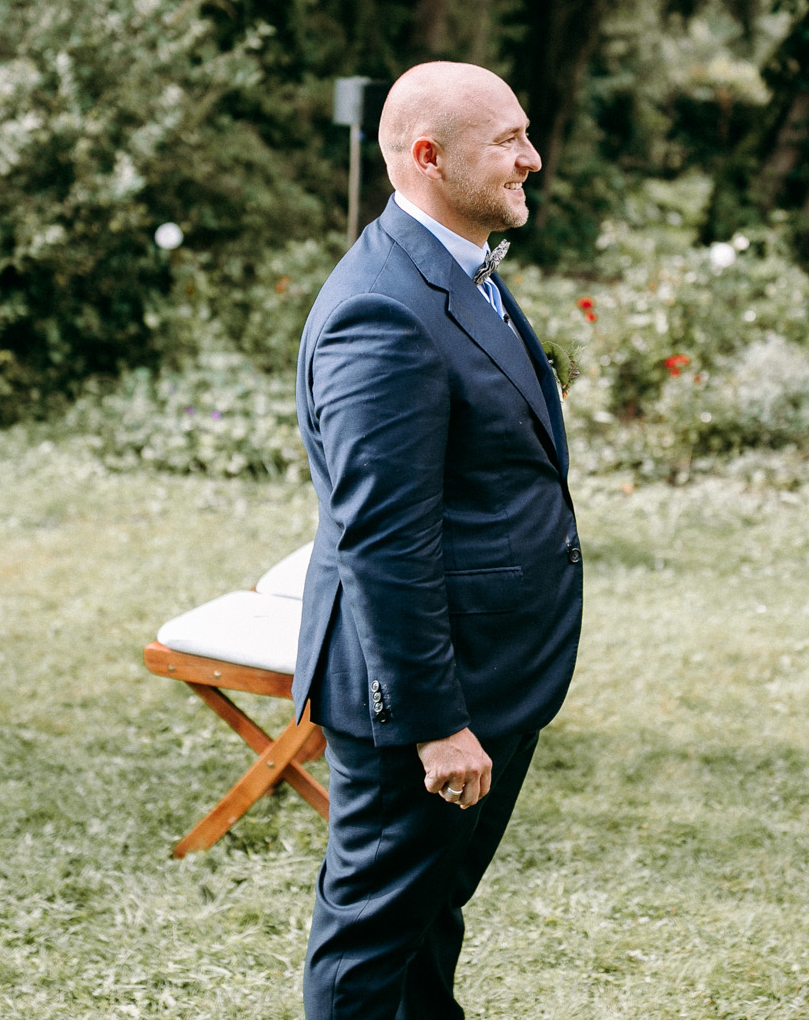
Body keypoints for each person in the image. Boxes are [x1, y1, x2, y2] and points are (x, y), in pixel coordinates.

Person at [292, 61, 581, 1017]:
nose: (531, 160)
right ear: (427, 156)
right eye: (508, 141)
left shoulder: (453, 267)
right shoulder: (382, 310)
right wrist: (435, 722)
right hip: (418, 697)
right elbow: (385, 538)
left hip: (487, 668)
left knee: (425, 913)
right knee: (371, 939)